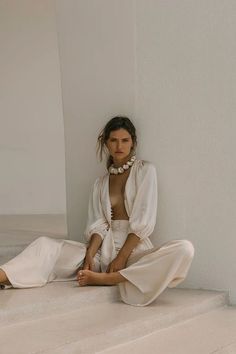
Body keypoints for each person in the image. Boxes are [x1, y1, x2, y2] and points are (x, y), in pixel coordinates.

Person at [0, 116, 194, 306]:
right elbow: (98, 225)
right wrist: (90, 256)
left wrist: (121, 258)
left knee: (184, 249)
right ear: (106, 143)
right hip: (103, 251)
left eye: (125, 140)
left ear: (133, 143)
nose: (120, 146)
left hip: (133, 253)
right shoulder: (100, 184)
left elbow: (144, 219)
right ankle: (3, 275)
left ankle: (108, 279)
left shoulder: (145, 171)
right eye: (114, 140)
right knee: (46, 246)